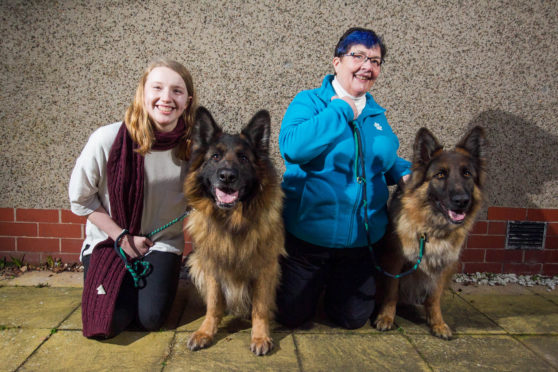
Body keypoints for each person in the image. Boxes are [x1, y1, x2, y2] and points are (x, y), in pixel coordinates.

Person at [276, 27, 411, 329]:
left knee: (352, 319)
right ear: (336, 62)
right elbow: (293, 148)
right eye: (358, 56)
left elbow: (385, 157)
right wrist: (340, 109)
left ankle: (334, 286)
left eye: (375, 61)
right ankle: (313, 284)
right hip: (309, 239)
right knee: (291, 317)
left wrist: (404, 171)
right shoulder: (310, 102)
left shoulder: (376, 114)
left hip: (360, 242)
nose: (367, 66)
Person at [69, 58, 197, 338]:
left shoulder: (192, 149)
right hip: (110, 240)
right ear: (143, 93)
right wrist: (122, 238)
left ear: (187, 100)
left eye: (177, 91)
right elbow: (80, 200)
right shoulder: (107, 139)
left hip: (160, 244)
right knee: (111, 322)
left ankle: (151, 282)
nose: (166, 98)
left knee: (150, 319)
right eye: (158, 88)